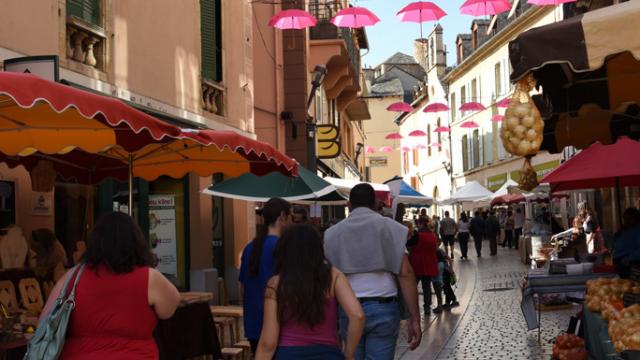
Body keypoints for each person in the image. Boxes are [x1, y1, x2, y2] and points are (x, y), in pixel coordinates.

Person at [41, 212, 180, 359]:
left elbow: (46, 320)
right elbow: (168, 310)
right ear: (136, 242)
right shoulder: (150, 277)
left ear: (95, 242)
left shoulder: (73, 276)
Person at [324, 184, 421, 359]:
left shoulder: (331, 234)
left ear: (349, 205)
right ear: (376, 203)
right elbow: (405, 273)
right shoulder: (391, 228)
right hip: (383, 304)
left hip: (348, 307)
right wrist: (415, 317)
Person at [256, 224, 364, 359]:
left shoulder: (276, 284)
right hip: (328, 354)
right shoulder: (334, 276)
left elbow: (268, 343)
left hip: (289, 355)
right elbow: (357, 316)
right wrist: (348, 354)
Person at [239, 198, 291, 353]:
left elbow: (242, 287)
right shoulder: (283, 247)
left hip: (253, 321)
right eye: (290, 218)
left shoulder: (249, 248)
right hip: (279, 323)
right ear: (282, 216)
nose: (291, 223)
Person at [407, 217, 439, 316]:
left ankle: (409, 308)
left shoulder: (417, 235)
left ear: (420, 224)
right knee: (427, 287)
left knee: (412, 287)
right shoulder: (432, 235)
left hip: (417, 264)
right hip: (429, 264)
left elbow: (408, 243)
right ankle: (427, 307)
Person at [613, 208, 640, 278]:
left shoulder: (637, 230)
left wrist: (628, 259)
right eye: (625, 219)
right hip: (619, 261)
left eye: (629, 218)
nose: (626, 221)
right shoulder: (625, 230)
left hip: (630, 262)